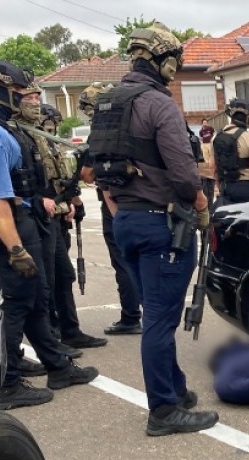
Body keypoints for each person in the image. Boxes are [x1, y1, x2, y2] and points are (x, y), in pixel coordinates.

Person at [90, 21, 218, 436]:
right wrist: (201, 205)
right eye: (174, 63)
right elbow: (183, 174)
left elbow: (98, 172)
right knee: (160, 322)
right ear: (163, 62)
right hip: (159, 224)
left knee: (154, 314)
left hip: (125, 220)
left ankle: (175, 389)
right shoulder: (159, 104)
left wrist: (119, 210)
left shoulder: (110, 102)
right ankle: (163, 410)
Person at [0, 59, 98, 410]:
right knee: (17, 304)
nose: (24, 98)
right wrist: (16, 248)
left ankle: (57, 366)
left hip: (8, 220)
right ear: (0, 90)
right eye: (19, 92)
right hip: (6, 225)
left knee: (37, 297)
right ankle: (8, 386)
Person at [13, 86, 107, 353]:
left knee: (62, 276)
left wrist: (69, 201)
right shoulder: (17, 133)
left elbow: (57, 174)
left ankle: (69, 330)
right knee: (45, 283)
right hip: (35, 213)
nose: (34, 103)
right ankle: (51, 335)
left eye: (36, 98)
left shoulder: (39, 136)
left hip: (55, 213)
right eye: (28, 98)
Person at [77, 82, 142, 336]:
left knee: (122, 261)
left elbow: (88, 174)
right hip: (142, 199)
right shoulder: (134, 125)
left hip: (114, 202)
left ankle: (130, 316)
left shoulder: (101, 133)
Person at [211, 98, 249, 206]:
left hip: (226, 188)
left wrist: (219, 186)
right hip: (247, 189)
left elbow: (213, 167)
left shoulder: (217, 137)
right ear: (246, 117)